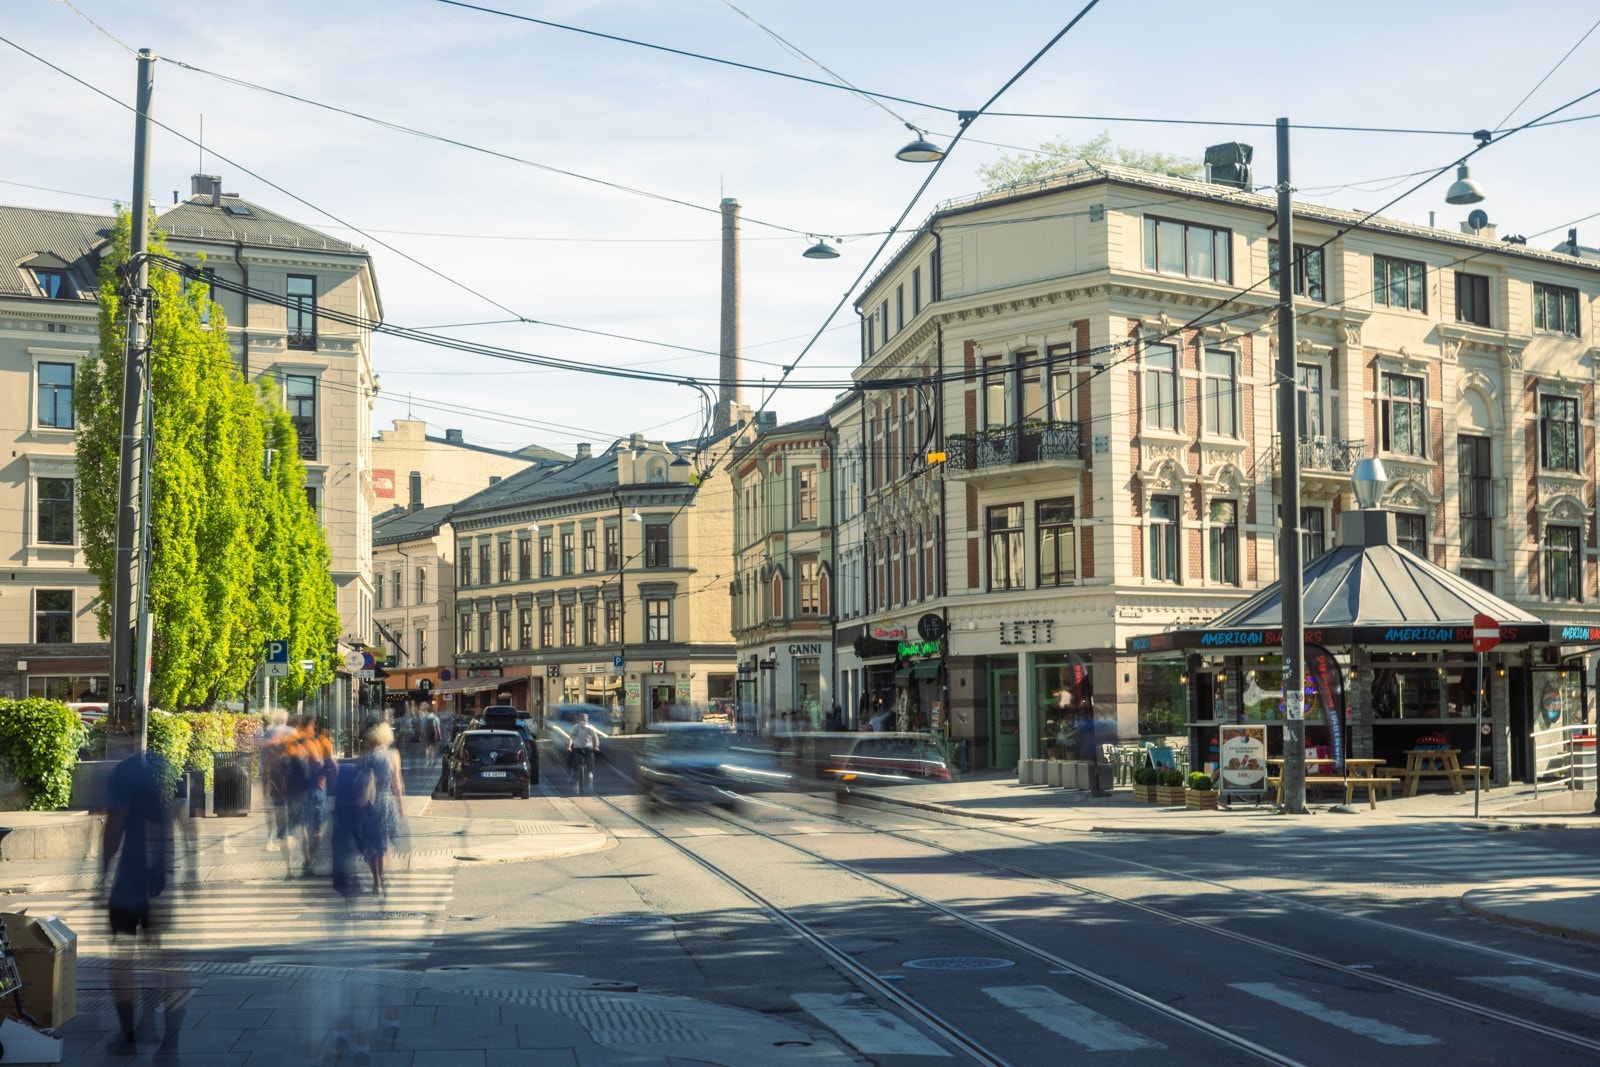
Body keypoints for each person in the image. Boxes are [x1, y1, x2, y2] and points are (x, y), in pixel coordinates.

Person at [101, 748, 180, 1061]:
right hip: (162, 880)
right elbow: (181, 820)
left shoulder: (125, 770)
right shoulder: (167, 766)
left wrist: (104, 868)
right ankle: (170, 1042)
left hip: (131, 883)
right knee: (164, 958)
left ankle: (129, 1036)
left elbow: (115, 824)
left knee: (123, 956)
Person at [353, 721, 404, 894]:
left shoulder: (367, 756)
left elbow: (360, 780)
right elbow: (397, 783)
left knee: (370, 842)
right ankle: (380, 880)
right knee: (384, 843)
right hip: (385, 801)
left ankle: (375, 880)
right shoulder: (393, 754)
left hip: (369, 804)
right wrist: (401, 805)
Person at [566, 711, 600, 794]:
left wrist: (596, 746)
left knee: (590, 767)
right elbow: (571, 737)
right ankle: (575, 781)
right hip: (577, 748)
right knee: (573, 762)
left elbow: (595, 737)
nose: (583, 720)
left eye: (585, 719)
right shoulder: (575, 727)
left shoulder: (591, 728)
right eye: (582, 719)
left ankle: (590, 783)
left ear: (587, 720)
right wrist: (569, 746)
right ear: (579, 719)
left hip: (588, 748)